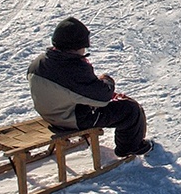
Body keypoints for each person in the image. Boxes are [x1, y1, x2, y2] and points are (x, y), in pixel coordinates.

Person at [27, 17, 152, 157]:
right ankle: (130, 148)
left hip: (49, 113)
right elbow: (102, 97)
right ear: (76, 47)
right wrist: (106, 80)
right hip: (70, 119)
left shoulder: (39, 61)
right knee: (130, 109)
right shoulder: (73, 69)